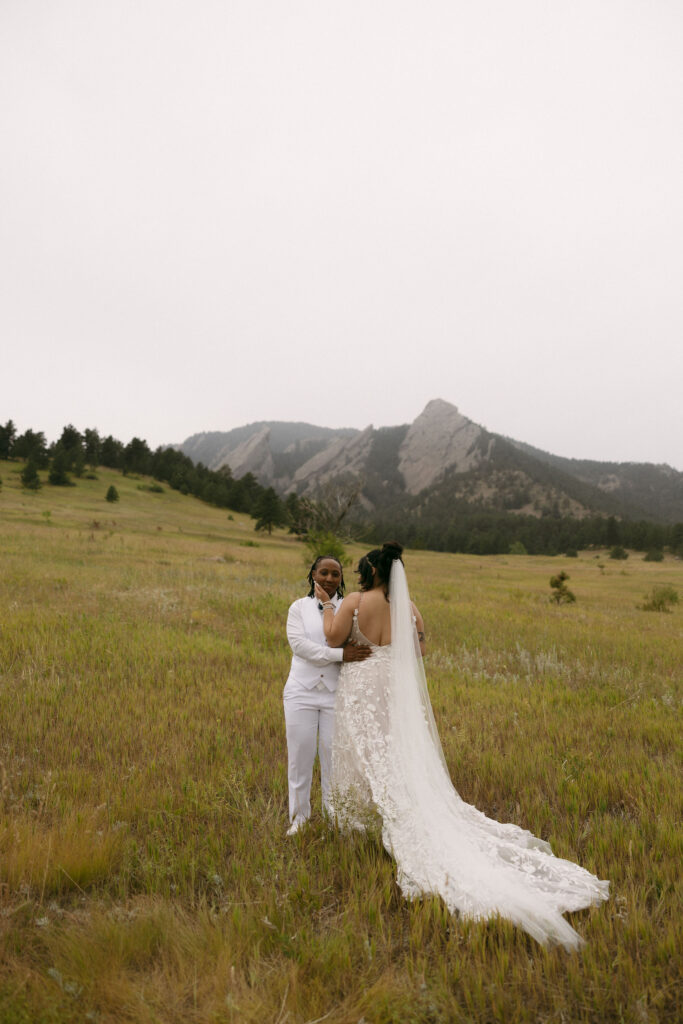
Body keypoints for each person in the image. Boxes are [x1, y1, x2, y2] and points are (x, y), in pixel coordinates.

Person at [314, 541, 609, 950]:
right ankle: (394, 809)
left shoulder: (354, 602)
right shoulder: (410, 607)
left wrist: (326, 605)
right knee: (398, 754)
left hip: (362, 687)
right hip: (394, 690)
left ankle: (364, 819)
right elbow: (419, 648)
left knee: (365, 752)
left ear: (372, 572)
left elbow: (332, 641)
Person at [284, 554, 371, 836]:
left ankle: (335, 819)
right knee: (300, 756)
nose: (329, 579)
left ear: (341, 579)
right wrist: (340, 654)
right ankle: (298, 820)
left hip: (336, 694)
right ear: (313, 575)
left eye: (336, 574)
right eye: (324, 573)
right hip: (301, 692)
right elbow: (301, 648)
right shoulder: (298, 608)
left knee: (335, 759)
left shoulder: (349, 608)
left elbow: (360, 644)